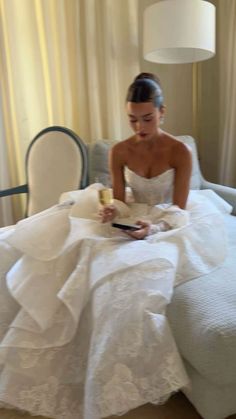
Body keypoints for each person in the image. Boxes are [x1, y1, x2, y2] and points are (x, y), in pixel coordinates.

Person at [0, 73, 232, 419]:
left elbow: (180, 209)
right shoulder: (120, 151)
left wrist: (152, 226)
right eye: (133, 119)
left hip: (166, 220)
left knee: (125, 281)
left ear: (162, 112)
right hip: (134, 217)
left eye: (147, 118)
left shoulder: (180, 151)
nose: (139, 126)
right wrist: (113, 211)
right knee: (74, 252)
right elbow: (120, 201)